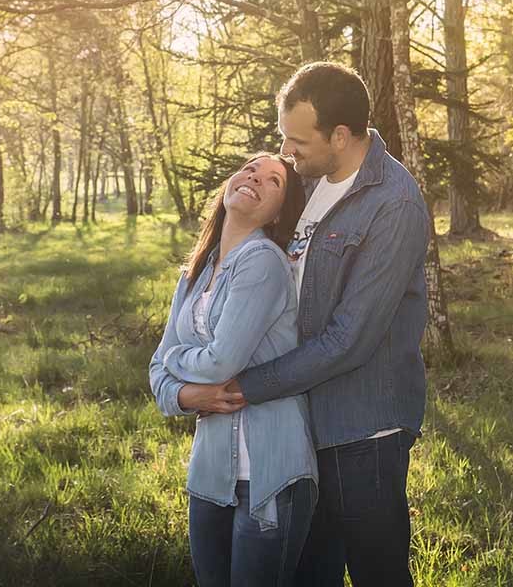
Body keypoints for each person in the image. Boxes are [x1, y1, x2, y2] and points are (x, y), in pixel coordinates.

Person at [181, 62, 431, 586]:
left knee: (378, 574)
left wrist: (241, 388)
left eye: (298, 142)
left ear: (340, 136)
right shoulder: (306, 184)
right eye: (283, 139)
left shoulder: (394, 203)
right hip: (299, 426)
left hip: (362, 431)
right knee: (308, 576)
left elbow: (349, 340)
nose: (286, 154)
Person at [149, 153, 319, 587]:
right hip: (210, 474)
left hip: (270, 474)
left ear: (281, 212)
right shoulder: (194, 272)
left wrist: (175, 362)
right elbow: (155, 373)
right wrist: (190, 395)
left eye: (273, 181)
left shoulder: (262, 260)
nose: (254, 178)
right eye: (250, 169)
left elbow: (222, 361)